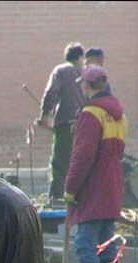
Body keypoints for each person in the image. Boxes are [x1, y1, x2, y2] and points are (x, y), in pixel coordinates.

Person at [56, 66, 127, 263]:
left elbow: (82, 156)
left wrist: (70, 188)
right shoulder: (118, 114)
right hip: (113, 185)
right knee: (107, 244)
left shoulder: (90, 113)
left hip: (93, 186)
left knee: (86, 244)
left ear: (87, 85)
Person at [37, 42, 85, 203]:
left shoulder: (61, 70)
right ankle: (79, 197)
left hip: (66, 124)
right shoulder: (87, 73)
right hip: (86, 125)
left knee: (60, 163)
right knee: (81, 161)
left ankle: (57, 199)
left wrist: (45, 115)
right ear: (80, 57)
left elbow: (51, 92)